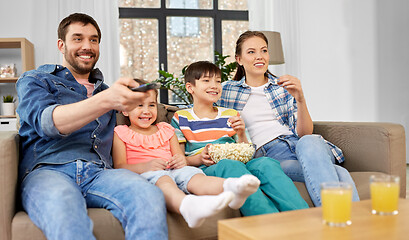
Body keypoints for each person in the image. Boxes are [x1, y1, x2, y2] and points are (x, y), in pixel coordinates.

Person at [16, 13, 167, 240]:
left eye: (94, 40)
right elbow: (49, 122)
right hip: (48, 171)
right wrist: (107, 100)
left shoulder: (108, 91)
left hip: (100, 173)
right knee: (64, 207)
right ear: (61, 45)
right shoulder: (36, 79)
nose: (87, 46)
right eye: (78, 39)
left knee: (148, 195)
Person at [218, 30, 360, 206]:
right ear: (239, 59)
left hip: (301, 147)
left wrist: (300, 98)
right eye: (251, 52)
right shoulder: (226, 90)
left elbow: (304, 133)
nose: (259, 56)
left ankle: (335, 223)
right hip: (270, 157)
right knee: (340, 174)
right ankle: (351, 226)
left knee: (310, 140)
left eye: (264, 50)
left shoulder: (282, 87)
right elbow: (198, 106)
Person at [112, 79, 260, 228]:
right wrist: (146, 166)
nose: (146, 111)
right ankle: (187, 206)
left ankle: (232, 187)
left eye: (151, 105)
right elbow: (119, 166)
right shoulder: (121, 132)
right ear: (125, 109)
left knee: (195, 176)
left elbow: (180, 158)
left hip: (174, 170)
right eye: (139, 105)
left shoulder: (165, 129)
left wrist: (179, 161)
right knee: (164, 181)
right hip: (149, 174)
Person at [171, 61, 309, 216]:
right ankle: (266, 221)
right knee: (229, 165)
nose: (214, 85)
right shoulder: (181, 118)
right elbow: (181, 161)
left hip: (241, 162)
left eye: (217, 81)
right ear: (190, 88)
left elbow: (247, 151)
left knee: (267, 163)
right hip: (209, 169)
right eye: (206, 80)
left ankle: (302, 217)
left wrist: (241, 132)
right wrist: (200, 158)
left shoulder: (231, 114)